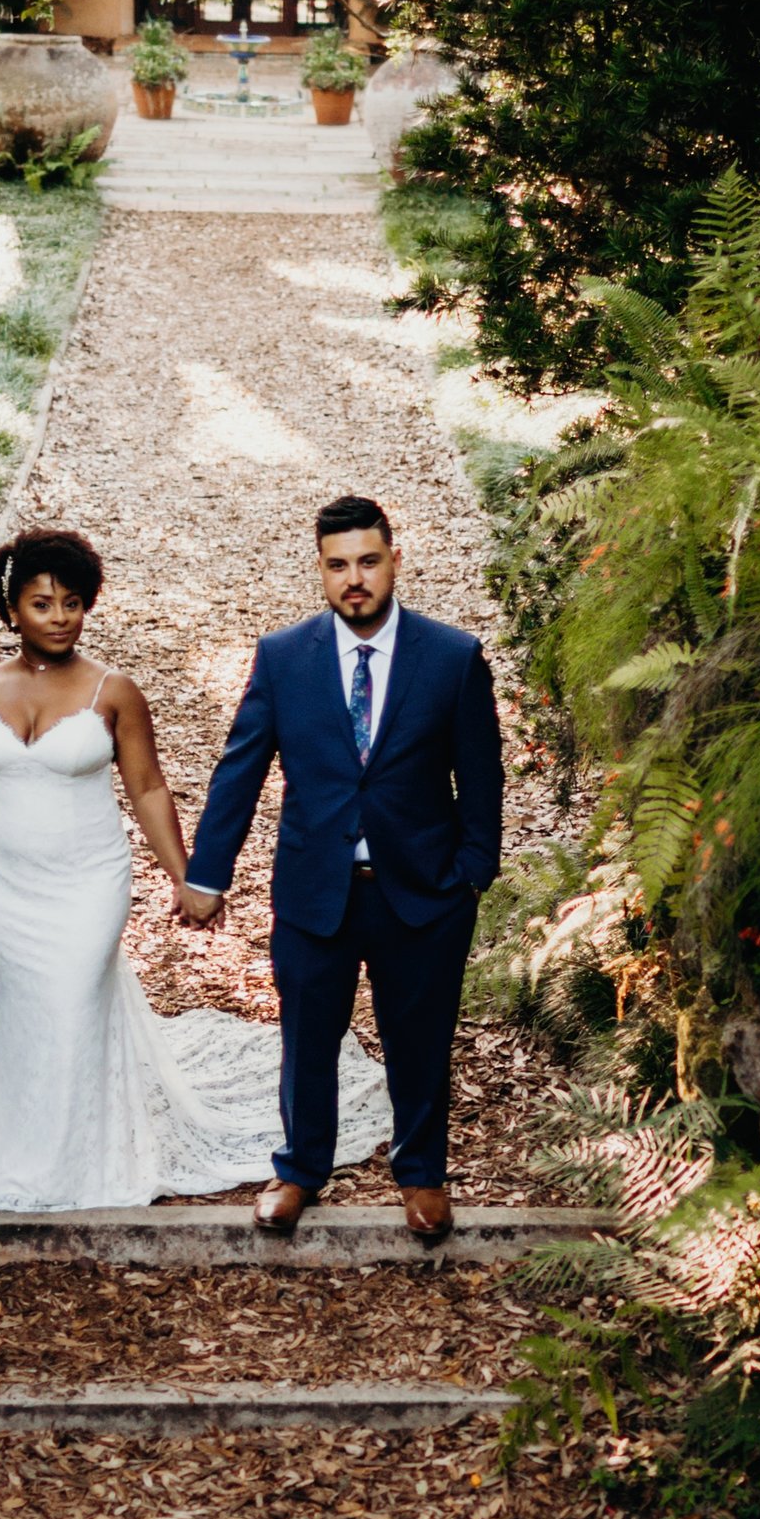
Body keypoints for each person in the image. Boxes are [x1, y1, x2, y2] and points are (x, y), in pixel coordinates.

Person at [0, 527, 386, 1211]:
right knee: (23, 1015)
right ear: (12, 612)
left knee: (70, 1003)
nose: (59, 618)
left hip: (86, 880)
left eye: (71, 602)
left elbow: (148, 788)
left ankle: (83, 1163)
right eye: (41, 604)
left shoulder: (111, 691)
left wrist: (189, 876)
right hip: (2, 882)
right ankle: (19, 1157)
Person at [180, 495, 503, 1245]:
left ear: (393, 560)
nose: (353, 579)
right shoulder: (283, 657)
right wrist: (207, 873)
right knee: (308, 1038)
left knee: (420, 1040)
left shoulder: (452, 657)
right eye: (337, 565)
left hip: (422, 893)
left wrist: (474, 869)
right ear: (320, 571)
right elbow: (241, 768)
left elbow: (481, 774)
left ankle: (422, 1176)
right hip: (314, 889)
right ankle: (298, 1170)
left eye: (367, 561)